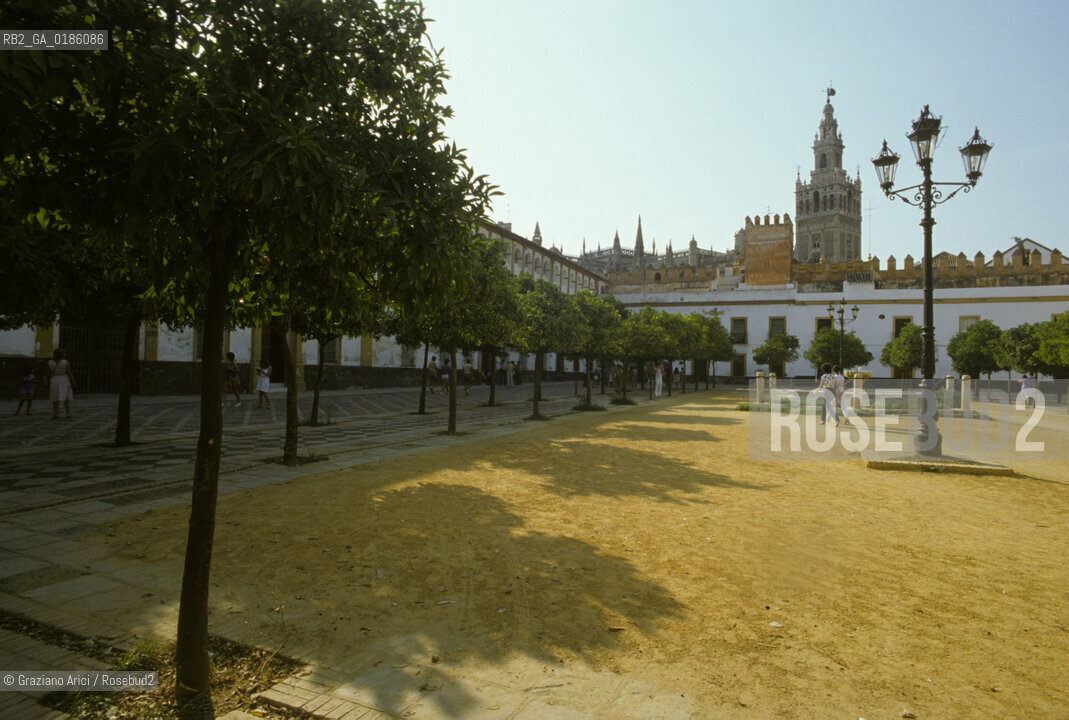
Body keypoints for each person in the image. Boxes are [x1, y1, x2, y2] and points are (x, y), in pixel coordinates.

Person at [47, 348, 74, 419]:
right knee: (67, 397)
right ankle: (68, 413)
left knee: (55, 398)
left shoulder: (50, 362)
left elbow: (48, 373)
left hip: (54, 379)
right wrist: (73, 381)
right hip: (64, 379)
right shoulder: (65, 362)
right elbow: (69, 372)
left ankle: (56, 413)